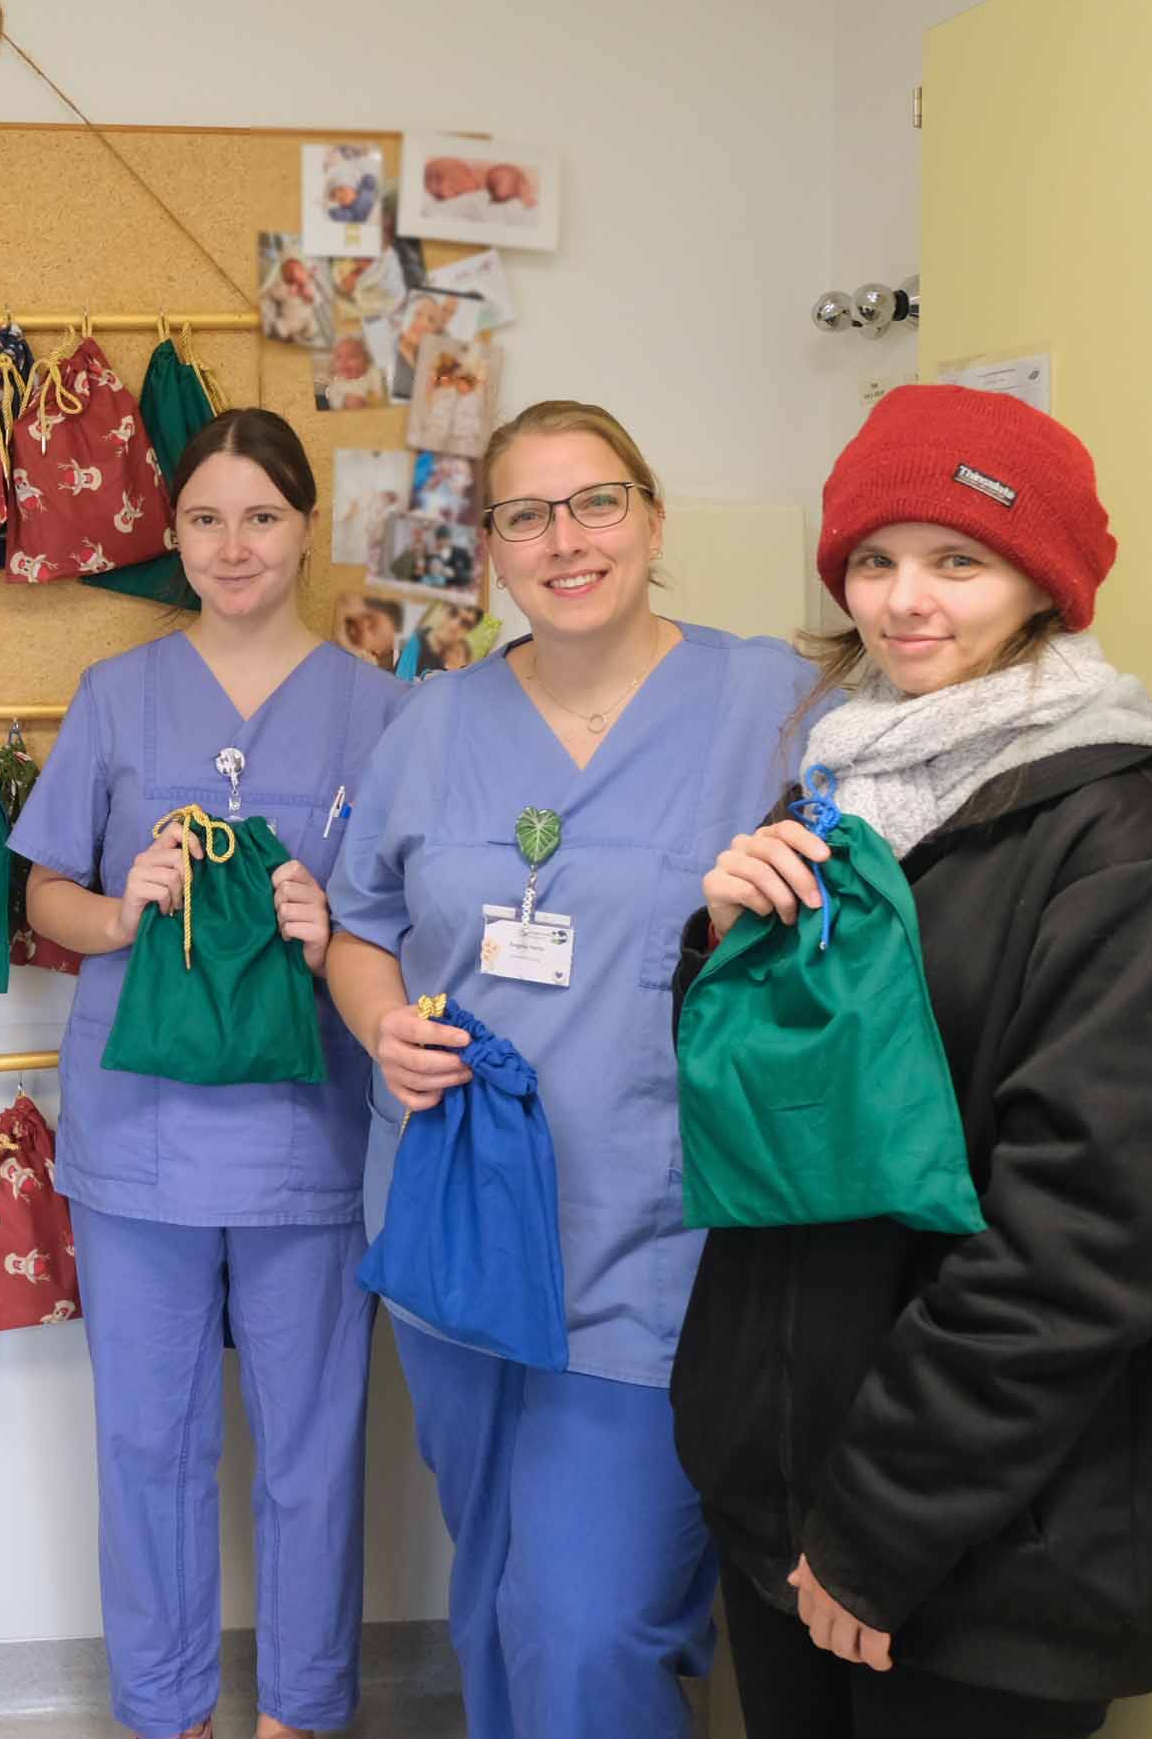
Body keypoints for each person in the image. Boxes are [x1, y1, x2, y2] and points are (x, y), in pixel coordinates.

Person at [672, 385, 1152, 1738]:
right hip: (787, 1505)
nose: (903, 601)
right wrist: (720, 949)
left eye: (958, 559)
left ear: (1044, 582)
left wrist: (876, 1524)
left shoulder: (1134, 852)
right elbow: (772, 1128)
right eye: (875, 559)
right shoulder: (845, 793)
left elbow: (1079, 1248)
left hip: (980, 1559)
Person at [325, 399, 814, 1739]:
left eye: (597, 502)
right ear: (489, 548)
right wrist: (382, 1026)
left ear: (651, 520)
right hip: (457, 1222)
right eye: (526, 515)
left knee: (591, 1625)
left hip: (656, 1246)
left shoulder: (770, 702)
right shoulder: (433, 722)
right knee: (495, 1591)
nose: (566, 539)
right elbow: (359, 925)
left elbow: (853, 932)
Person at [14, 408, 407, 1739]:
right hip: (143, 1136)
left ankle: (299, 1713)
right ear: (171, 535)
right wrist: (121, 907)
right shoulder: (117, 695)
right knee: (148, 1441)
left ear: (307, 530)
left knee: (312, 1447)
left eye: (261, 517)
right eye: (203, 519)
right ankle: (168, 1711)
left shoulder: (383, 711)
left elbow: (418, 921)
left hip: (311, 1132)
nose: (232, 547)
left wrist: (331, 926)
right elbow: (44, 897)